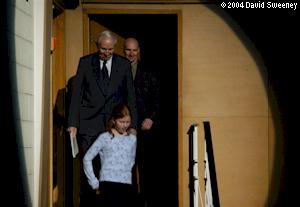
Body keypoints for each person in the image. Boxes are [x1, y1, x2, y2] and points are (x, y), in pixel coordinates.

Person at [68, 30, 137, 207]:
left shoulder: (123, 65)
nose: (106, 53)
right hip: (89, 124)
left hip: (114, 127)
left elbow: (131, 97)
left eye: (110, 49)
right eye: (103, 49)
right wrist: (73, 124)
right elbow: (77, 95)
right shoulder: (85, 62)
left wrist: (133, 125)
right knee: (90, 167)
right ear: (97, 46)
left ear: (114, 48)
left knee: (110, 170)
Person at [124, 37, 160, 206]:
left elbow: (158, 98)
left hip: (144, 127)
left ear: (139, 51)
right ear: (123, 51)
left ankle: (147, 201)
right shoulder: (118, 70)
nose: (131, 53)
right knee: (127, 167)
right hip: (124, 127)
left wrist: (151, 118)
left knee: (146, 167)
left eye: (134, 50)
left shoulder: (148, 71)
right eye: (128, 50)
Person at [83, 103, 137, 207]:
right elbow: (87, 158)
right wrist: (94, 182)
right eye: (121, 122)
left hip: (126, 185)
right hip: (108, 185)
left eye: (128, 122)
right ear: (114, 120)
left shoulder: (132, 139)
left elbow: (131, 161)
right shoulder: (104, 138)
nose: (125, 125)